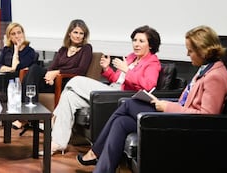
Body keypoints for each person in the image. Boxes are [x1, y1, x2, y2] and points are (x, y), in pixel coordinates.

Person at [76, 25, 227, 173]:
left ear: (203, 51)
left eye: (190, 51)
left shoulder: (215, 77)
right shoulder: (205, 70)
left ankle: (95, 152)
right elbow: (186, 101)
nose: (187, 54)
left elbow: (207, 118)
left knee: (129, 103)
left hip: (186, 124)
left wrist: (166, 107)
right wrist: (163, 103)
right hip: (180, 114)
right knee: (121, 122)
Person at [46, 25, 162, 155]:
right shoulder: (131, 57)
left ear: (150, 45)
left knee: (76, 80)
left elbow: (148, 85)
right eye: (134, 40)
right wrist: (107, 69)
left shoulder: (152, 63)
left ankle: (54, 116)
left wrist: (127, 70)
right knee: (69, 96)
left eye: (141, 41)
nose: (136, 44)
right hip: (112, 89)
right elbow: (116, 79)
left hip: (123, 97)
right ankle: (58, 143)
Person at [13, 19, 93, 129]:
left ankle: (25, 116)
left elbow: (80, 70)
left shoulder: (86, 49)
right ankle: (28, 114)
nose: (78, 36)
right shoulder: (63, 49)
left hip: (66, 82)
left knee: (34, 71)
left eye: (81, 33)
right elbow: (51, 67)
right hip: (53, 81)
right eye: (75, 32)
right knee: (34, 69)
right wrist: (49, 76)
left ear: (84, 36)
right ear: (69, 33)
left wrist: (58, 72)